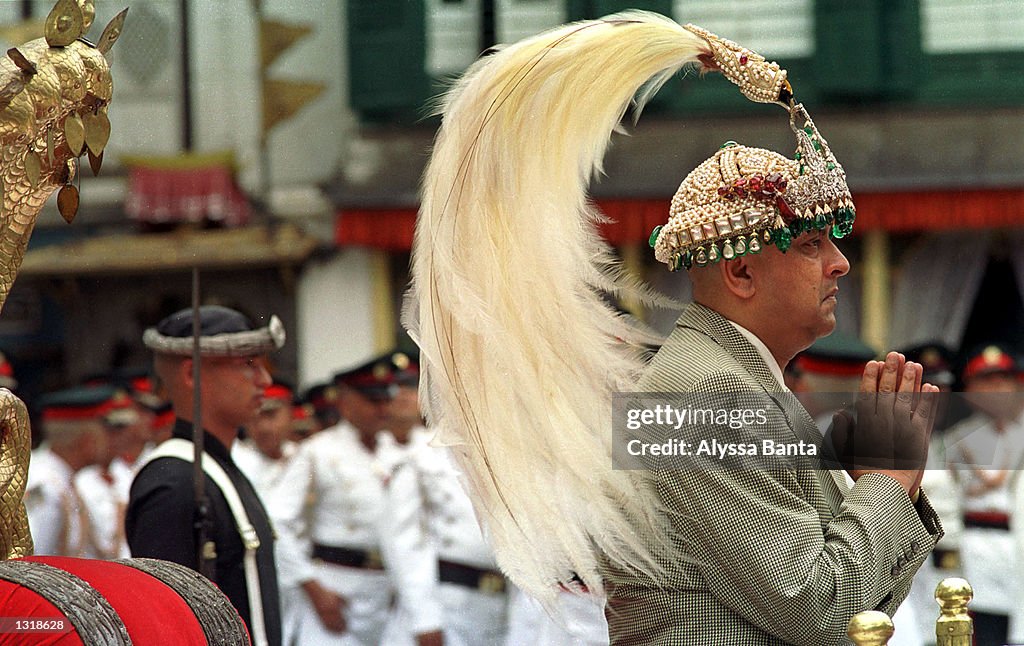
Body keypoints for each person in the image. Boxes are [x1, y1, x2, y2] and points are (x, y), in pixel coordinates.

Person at [405, 14, 943, 646]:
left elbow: (857, 608)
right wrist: (885, 482)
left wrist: (879, 489)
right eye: (810, 244)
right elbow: (823, 612)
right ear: (741, 272)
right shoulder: (696, 401)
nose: (840, 263)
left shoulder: (728, 383)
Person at [126, 305, 285, 646]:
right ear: (191, 374)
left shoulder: (216, 468)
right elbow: (164, 626)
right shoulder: (174, 482)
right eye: (248, 365)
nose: (265, 381)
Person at [379, 351, 511, 646]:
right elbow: (404, 543)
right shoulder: (421, 458)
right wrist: (425, 618)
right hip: (444, 604)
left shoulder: (508, 459)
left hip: (498, 608)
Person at [266, 353, 396, 645]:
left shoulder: (396, 453)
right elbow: (277, 522)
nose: (382, 409)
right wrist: (312, 588)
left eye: (385, 400)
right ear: (346, 402)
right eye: (372, 401)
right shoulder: (318, 451)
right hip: (334, 586)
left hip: (386, 591)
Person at [944, 343, 1024, 646]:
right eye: (986, 380)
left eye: (1003, 379)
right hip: (974, 548)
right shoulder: (955, 439)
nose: (997, 388)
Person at [25, 385, 110, 556]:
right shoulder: (45, 484)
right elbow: (31, 558)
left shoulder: (62, 479)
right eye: (106, 432)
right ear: (87, 441)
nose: (110, 440)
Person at [74, 386, 140, 560]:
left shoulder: (127, 475)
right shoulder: (81, 481)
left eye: (124, 428)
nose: (122, 436)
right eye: (113, 429)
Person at [233, 379, 299, 497]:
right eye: (255, 417)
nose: (264, 427)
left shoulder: (304, 456)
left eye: (271, 415)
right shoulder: (236, 458)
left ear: (290, 414)